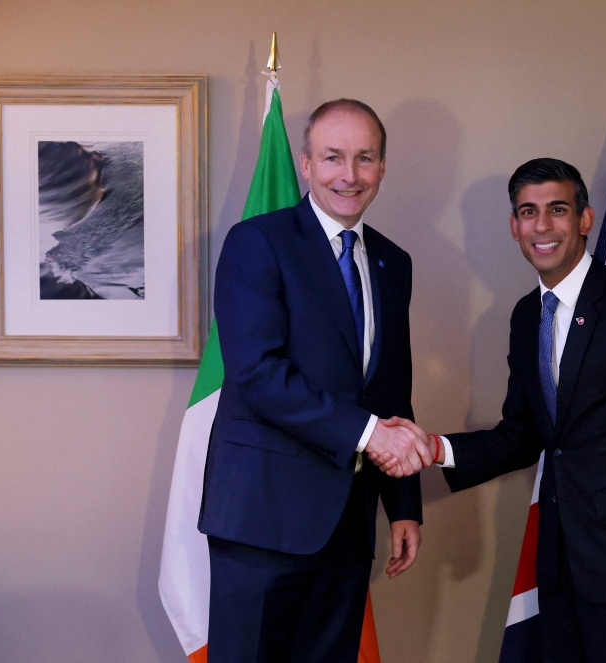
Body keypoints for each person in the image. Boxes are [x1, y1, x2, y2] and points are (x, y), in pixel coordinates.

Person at [372, 158, 606, 662]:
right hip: (559, 559)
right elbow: (524, 435)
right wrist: (435, 448)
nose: (542, 226)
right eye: (528, 212)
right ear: (514, 226)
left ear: (584, 219)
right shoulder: (527, 316)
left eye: (557, 209)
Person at [199, 98, 433, 663]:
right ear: (305, 164)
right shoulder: (257, 242)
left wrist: (403, 504)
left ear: (382, 167)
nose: (349, 175)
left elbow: (390, 391)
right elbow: (257, 373)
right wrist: (371, 435)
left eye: (364, 158)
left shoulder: (393, 262)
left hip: (348, 523)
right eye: (333, 157)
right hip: (262, 518)